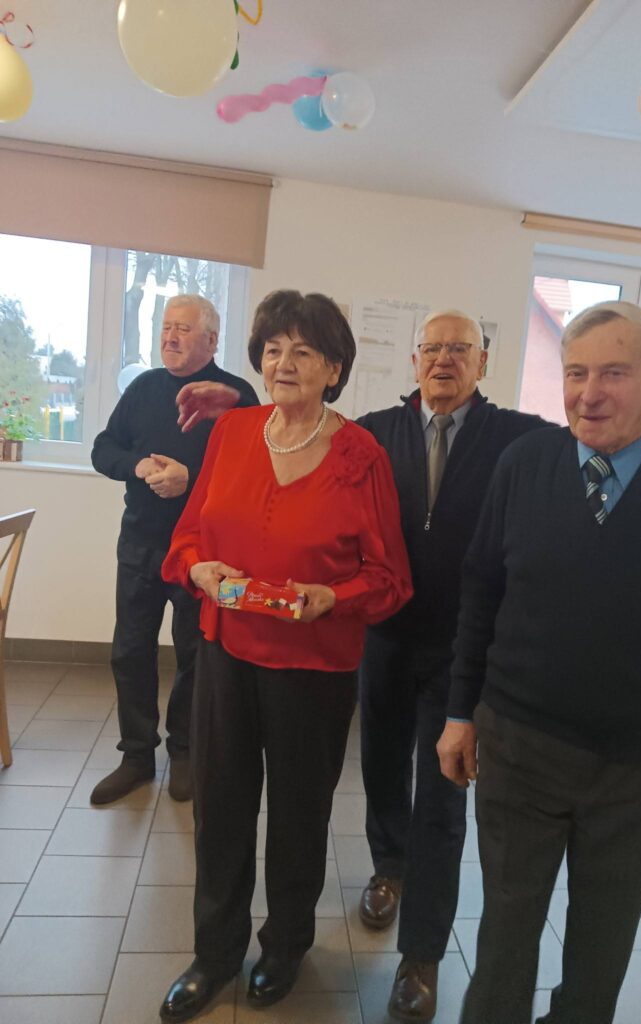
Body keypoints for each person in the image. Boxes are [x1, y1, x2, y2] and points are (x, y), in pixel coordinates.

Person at [437, 300, 641, 1024]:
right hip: (518, 748)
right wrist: (460, 711)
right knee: (503, 944)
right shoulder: (524, 464)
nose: (589, 394)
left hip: (636, 768)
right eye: (575, 373)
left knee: (599, 954)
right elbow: (481, 592)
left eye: (613, 373)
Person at [158, 290, 413, 1023]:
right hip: (227, 655)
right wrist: (200, 568)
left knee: (300, 815)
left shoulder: (361, 456)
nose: (284, 363)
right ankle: (214, 954)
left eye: (303, 351)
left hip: (314, 669)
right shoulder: (233, 431)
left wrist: (333, 596)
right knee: (220, 809)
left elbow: (389, 577)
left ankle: (285, 945)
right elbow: (188, 535)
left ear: (334, 368)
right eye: (272, 350)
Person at [356, 310, 550, 1022]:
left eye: (459, 349)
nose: (443, 359)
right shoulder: (375, 432)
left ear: (483, 362)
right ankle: (388, 867)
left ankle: (422, 955)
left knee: (442, 798)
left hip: (463, 651)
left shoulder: (519, 438)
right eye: (432, 348)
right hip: (383, 636)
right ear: (413, 361)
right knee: (380, 765)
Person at [90, 295, 259, 805]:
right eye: (166, 327)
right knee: (130, 651)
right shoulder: (143, 388)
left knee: (194, 654)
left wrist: (194, 478)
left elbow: (254, 469)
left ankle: (184, 751)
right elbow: (103, 448)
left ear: (212, 339)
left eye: (183, 328)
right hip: (140, 544)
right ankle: (136, 755)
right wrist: (138, 465)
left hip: (203, 554)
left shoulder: (237, 397)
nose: (170, 336)